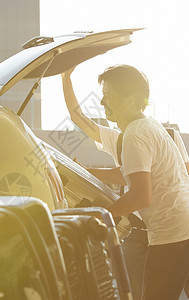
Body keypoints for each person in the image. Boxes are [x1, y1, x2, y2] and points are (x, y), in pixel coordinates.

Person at [62, 65, 189, 300]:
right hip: (183, 224)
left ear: (129, 101)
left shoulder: (135, 134)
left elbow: (141, 196)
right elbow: (132, 175)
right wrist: (89, 171)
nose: (101, 102)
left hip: (170, 232)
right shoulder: (147, 126)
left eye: (108, 96)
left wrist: (98, 215)